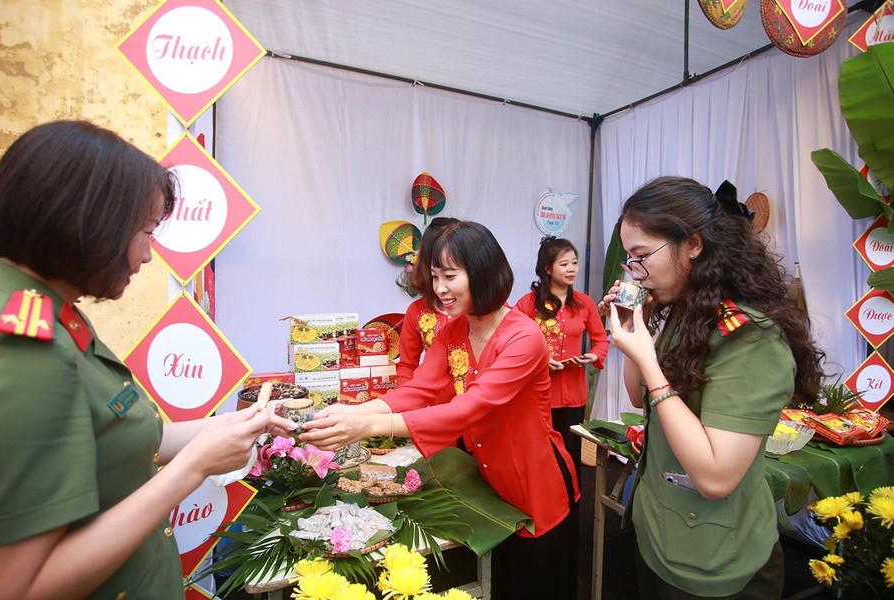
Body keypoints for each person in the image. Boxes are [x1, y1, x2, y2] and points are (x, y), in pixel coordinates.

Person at [0, 121, 295, 600]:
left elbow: (115, 436)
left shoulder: (47, 307)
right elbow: (19, 585)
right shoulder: (24, 345)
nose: (149, 256)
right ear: (91, 222)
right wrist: (194, 467)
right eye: (147, 231)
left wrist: (232, 426)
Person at [300, 221, 579, 600]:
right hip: (488, 477)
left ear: (482, 272)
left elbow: (468, 409)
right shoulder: (453, 331)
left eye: (450, 276)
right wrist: (355, 413)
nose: (440, 288)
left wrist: (365, 426)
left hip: (536, 480)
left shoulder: (523, 337)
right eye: (435, 276)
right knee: (502, 580)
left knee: (537, 582)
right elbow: (418, 389)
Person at [601, 176, 824, 599]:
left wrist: (648, 361)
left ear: (693, 244)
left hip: (716, 558)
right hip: (660, 532)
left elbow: (715, 476)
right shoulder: (684, 312)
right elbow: (637, 396)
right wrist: (633, 328)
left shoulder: (750, 338)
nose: (634, 271)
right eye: (630, 259)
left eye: (642, 256)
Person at [515, 235, 610, 477]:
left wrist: (592, 356)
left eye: (574, 263)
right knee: (538, 453)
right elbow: (513, 345)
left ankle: (572, 499)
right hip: (537, 392)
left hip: (573, 393)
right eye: (564, 264)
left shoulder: (585, 303)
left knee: (570, 455)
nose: (572, 269)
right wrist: (540, 362)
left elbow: (601, 341)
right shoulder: (527, 304)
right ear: (548, 268)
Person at [396, 216, 460, 388]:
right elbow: (407, 366)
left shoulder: (486, 309)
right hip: (434, 401)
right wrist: (402, 400)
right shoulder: (417, 311)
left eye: (450, 275)